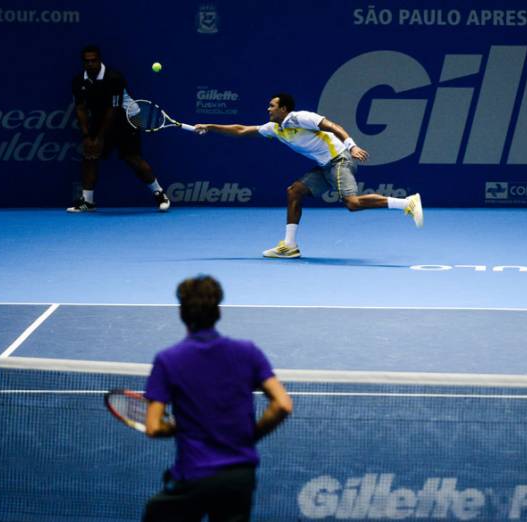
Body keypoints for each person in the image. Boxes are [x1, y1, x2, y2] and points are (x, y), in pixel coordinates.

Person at [193, 93, 423, 259]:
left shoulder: (301, 117)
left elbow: (334, 126)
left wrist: (351, 146)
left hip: (340, 158)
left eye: (272, 106)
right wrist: (210, 126)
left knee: (352, 203)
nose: (268, 109)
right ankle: (289, 245)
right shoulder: (275, 128)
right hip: (324, 166)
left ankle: (407, 203)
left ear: (284, 109)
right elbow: (241, 130)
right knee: (294, 191)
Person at [142, 275, 292, 522]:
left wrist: (177, 427)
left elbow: (154, 427)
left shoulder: (168, 360)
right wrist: (250, 436)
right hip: (239, 477)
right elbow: (282, 404)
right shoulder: (248, 352)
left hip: (193, 476)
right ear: (218, 311)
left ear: (182, 313)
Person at [68, 44, 171, 212]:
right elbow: (80, 108)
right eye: (87, 61)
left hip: (125, 117)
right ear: (83, 63)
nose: (90, 64)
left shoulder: (114, 78)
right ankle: (87, 201)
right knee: (90, 155)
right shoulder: (78, 81)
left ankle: (159, 194)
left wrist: (100, 138)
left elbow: (113, 109)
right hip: (101, 118)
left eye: (94, 60)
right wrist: (87, 136)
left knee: (132, 157)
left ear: (100, 60)